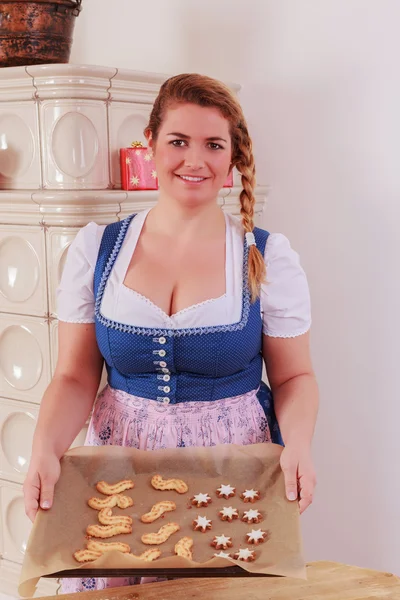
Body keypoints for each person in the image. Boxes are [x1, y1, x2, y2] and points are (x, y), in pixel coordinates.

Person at [23, 73, 318, 593]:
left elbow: (294, 376)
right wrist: (46, 446)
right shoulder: (98, 250)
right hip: (118, 466)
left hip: (233, 471)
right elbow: (73, 376)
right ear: (151, 145)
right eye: (178, 141)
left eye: (213, 145)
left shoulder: (267, 257)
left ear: (233, 160)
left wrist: (298, 445)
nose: (194, 160)